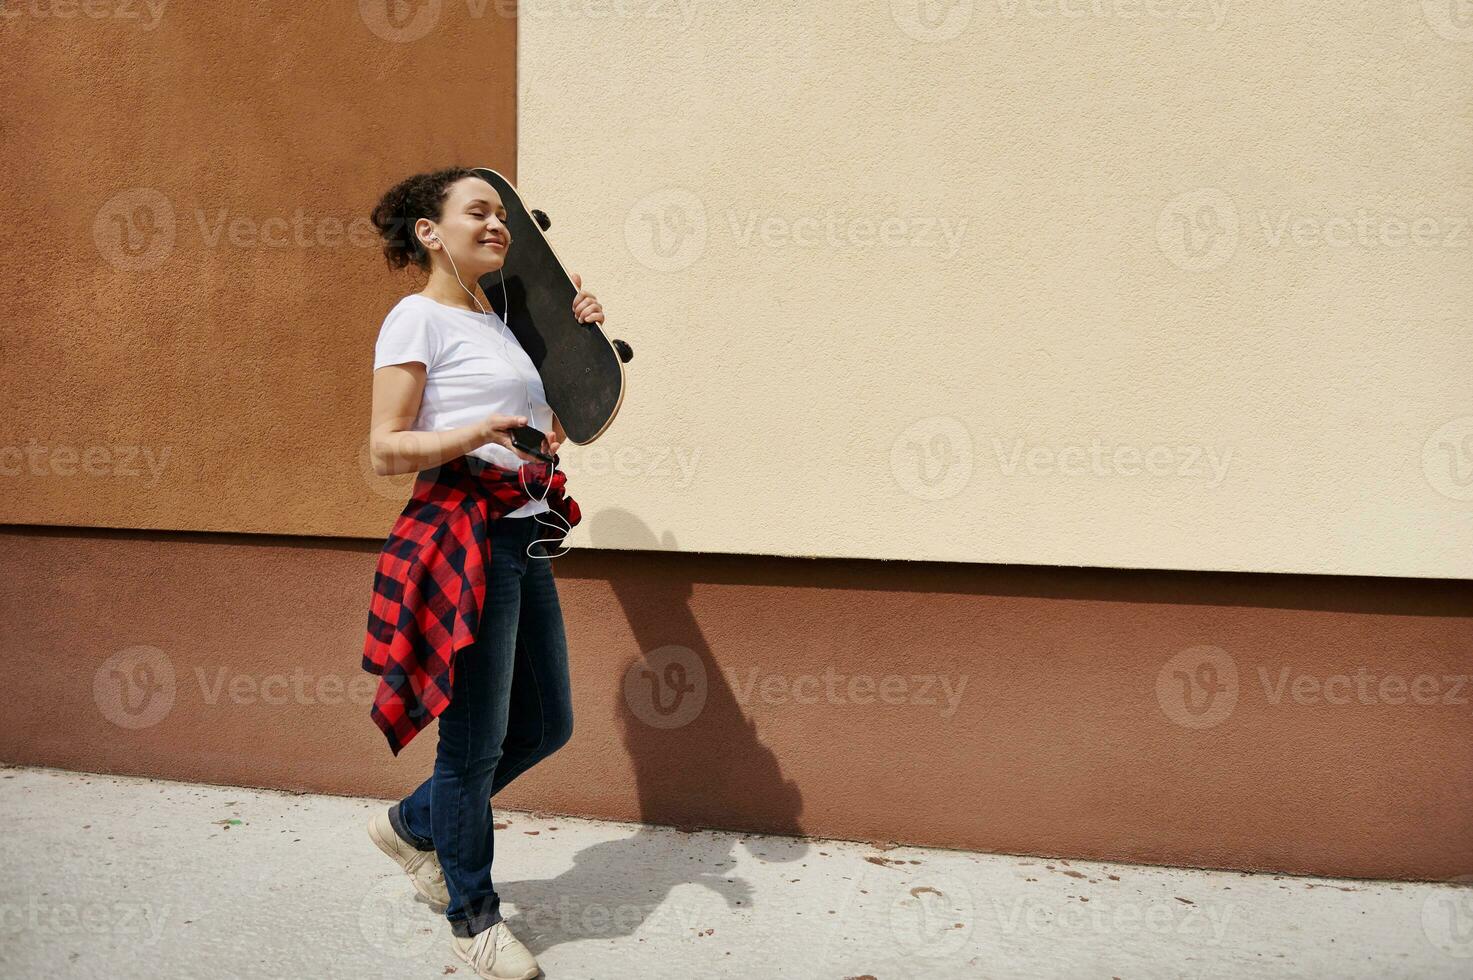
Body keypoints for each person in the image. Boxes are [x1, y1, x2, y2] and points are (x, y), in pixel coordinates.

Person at [360, 166, 604, 980]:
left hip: (521, 536)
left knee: (548, 725)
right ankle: (475, 924)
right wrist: (472, 433)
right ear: (430, 232)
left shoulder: (498, 321)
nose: (498, 225)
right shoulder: (416, 318)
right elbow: (385, 448)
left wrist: (579, 342)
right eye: (479, 212)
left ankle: (410, 824)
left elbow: (546, 432)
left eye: (502, 214)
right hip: (465, 541)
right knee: (471, 751)